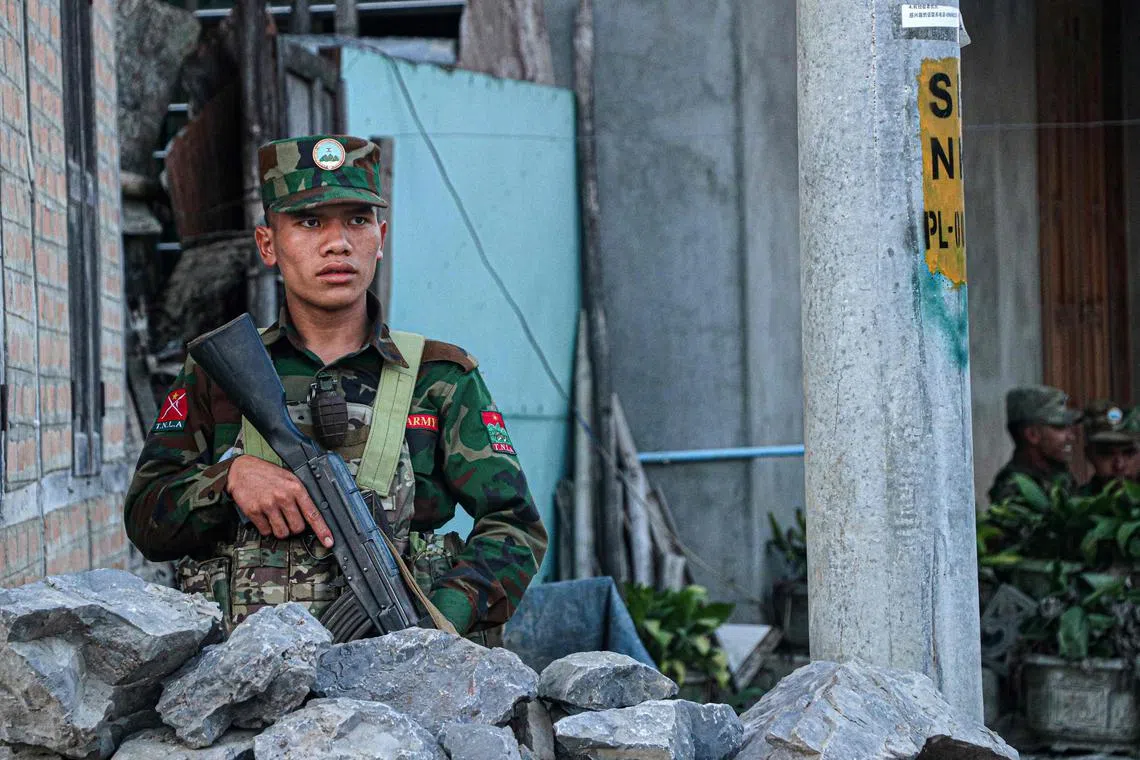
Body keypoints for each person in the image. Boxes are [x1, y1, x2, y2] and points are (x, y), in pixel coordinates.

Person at [124, 135, 548, 641]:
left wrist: (439, 626)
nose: (338, 243)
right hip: (244, 688)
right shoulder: (219, 374)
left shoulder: (440, 378)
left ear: (381, 236)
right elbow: (147, 517)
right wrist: (229, 481)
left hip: (403, 679)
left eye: (358, 220)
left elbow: (515, 526)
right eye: (309, 222)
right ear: (267, 245)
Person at [987, 385, 1081, 504]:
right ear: (1032, 435)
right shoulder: (1014, 491)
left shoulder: (1059, 475)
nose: (1071, 437)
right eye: (1060, 427)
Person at [1077, 400, 1138, 496]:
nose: (1119, 465)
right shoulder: (1077, 505)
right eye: (1107, 454)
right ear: (1089, 455)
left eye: (1129, 453)